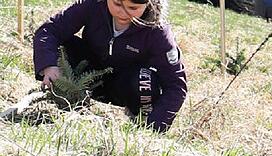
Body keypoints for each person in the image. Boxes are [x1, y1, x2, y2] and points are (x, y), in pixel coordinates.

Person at [33, 0, 188, 132]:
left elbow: (175, 85)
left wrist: (154, 128)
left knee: (145, 81)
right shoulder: (93, 5)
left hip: (126, 85)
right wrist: (49, 66)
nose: (123, 13)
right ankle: (62, 100)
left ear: (149, 4)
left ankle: (139, 120)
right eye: (117, 4)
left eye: (133, 8)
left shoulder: (158, 32)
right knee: (61, 48)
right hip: (87, 74)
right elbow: (49, 30)